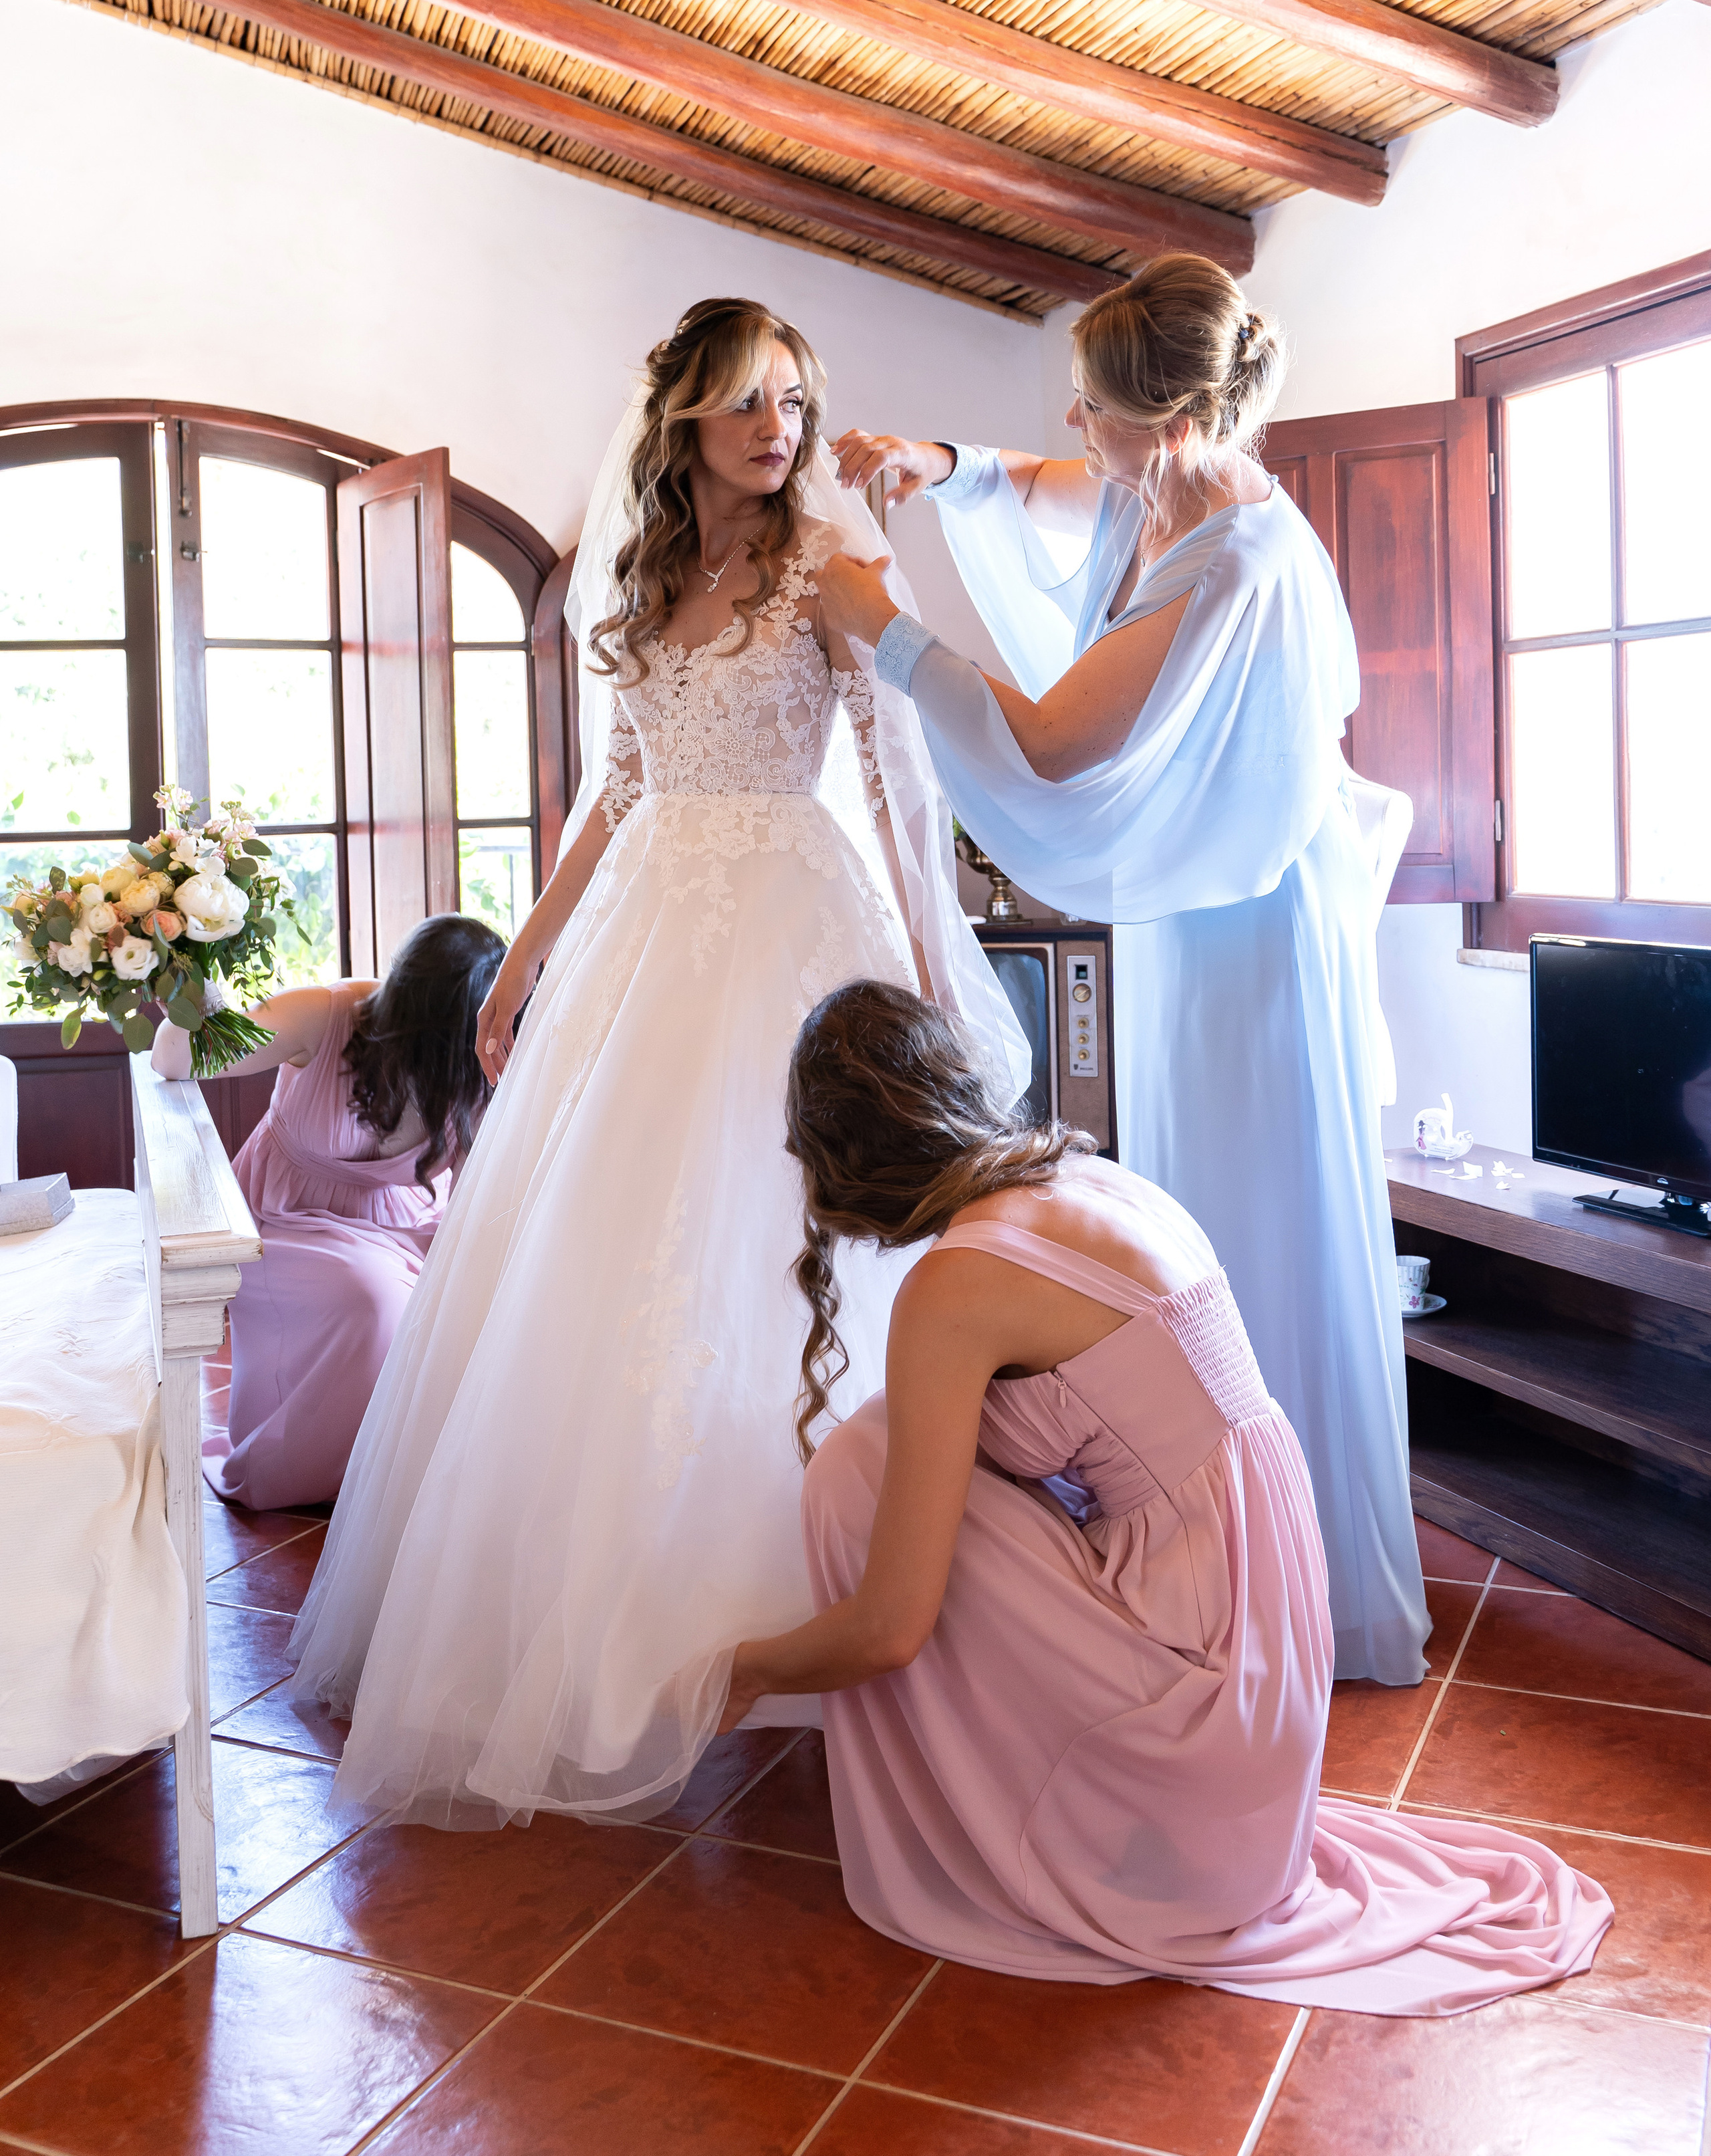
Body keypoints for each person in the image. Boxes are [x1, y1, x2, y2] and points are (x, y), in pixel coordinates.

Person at [287, 297, 1019, 1826]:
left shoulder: (828, 564)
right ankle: (613, 1616)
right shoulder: (634, 578)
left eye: (797, 402)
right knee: (606, 1258)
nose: (779, 427)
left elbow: (895, 773)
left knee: (787, 1245)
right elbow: (613, 787)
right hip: (642, 932)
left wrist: (939, 978)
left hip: (797, 928)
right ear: (682, 414)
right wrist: (535, 951)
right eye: (749, 400)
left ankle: (815, 1597)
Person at [718, 981, 1611, 2013]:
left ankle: (1000, 1808)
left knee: (853, 1477)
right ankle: (1041, 1785)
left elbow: (888, 1632)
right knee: (875, 1452)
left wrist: (740, 1670)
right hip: (1269, 1653)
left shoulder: (956, 1284)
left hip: (1202, 1683)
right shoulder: (1090, 1181)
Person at [820, 254, 1428, 1684]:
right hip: (1199, 927)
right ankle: (1218, 1546)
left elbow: (1048, 741)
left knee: (1257, 1226)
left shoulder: (1240, 559)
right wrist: (939, 460)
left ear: (1161, 424)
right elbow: (1042, 481)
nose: (1073, 433)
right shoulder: (1168, 485)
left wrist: (882, 628)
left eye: (1089, 410)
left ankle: (1297, 1584)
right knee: (1198, 1220)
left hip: (1260, 944)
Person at [151, 914, 504, 1511]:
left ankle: (418, 1475)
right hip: (282, 1216)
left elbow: (478, 1185)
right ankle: (315, 1472)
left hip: (400, 1223)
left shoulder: (477, 1055)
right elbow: (177, 1062)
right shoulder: (323, 1014)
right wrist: (186, 991)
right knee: (373, 1301)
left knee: (468, 1298)